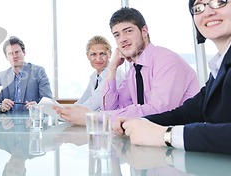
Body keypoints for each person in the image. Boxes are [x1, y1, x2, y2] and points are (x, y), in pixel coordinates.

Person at [114, 0, 231, 156]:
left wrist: (167, 135)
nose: (208, 12)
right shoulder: (221, 69)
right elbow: (184, 114)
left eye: (220, 2)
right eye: (198, 8)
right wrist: (138, 122)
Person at [56, 7, 200, 125]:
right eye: (117, 35)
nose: (122, 39)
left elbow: (158, 111)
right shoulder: (133, 71)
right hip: (151, 140)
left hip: (182, 143)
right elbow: (112, 108)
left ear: (144, 31)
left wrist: (93, 117)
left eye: (128, 31)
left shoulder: (166, 60)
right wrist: (112, 69)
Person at [0, 36, 53, 113]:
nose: (14, 56)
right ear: (6, 57)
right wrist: (0, 106)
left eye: (17, 52)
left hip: (32, 122)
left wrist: (37, 106)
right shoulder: (0, 77)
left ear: (24, 52)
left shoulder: (38, 72)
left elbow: (48, 100)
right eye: (11, 54)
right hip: (8, 123)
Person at [74, 35, 125, 110]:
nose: (98, 59)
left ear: (110, 54)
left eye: (102, 54)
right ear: (88, 56)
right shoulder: (95, 76)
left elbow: (93, 105)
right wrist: (66, 109)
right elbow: (83, 99)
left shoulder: (116, 73)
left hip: (116, 119)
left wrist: (68, 112)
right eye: (93, 54)